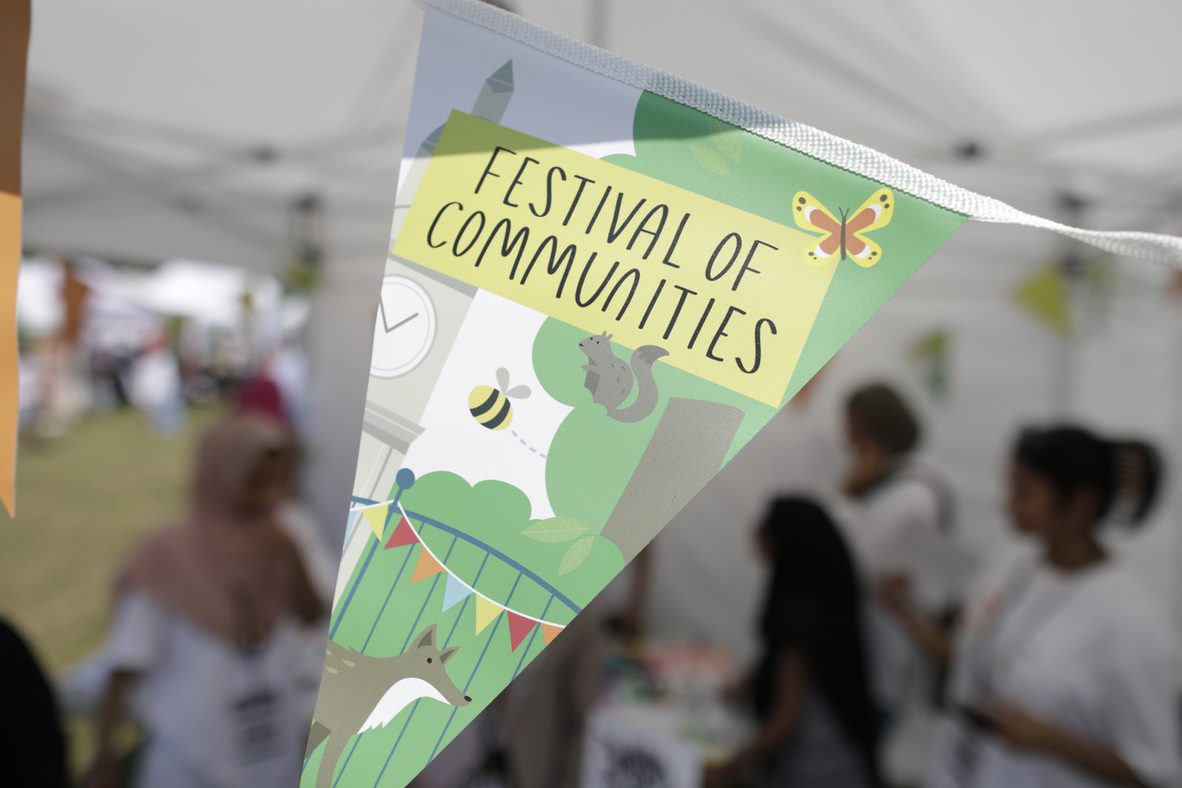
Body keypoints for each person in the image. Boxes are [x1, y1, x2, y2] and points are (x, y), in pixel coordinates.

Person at [887, 425, 1180, 788]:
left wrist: (1051, 740)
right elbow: (974, 659)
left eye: (1024, 492)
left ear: (1080, 503)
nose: (1007, 504)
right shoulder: (1014, 565)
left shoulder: (1133, 623)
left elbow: (1157, 772)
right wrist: (909, 616)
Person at [83, 414, 325, 788]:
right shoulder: (167, 557)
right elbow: (126, 664)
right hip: (188, 759)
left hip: (270, 754)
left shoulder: (279, 544)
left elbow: (311, 614)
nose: (270, 494)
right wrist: (104, 752)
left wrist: (290, 556)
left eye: (276, 481)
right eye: (255, 481)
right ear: (220, 477)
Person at [706, 497, 882, 788]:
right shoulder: (827, 593)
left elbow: (788, 717)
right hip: (844, 753)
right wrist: (739, 688)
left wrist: (731, 766)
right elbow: (775, 654)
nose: (756, 538)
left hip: (815, 767)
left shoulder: (799, 613)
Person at [836, 382, 961, 723]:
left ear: (877, 432)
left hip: (886, 657)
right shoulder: (898, 485)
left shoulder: (912, 494)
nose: (847, 441)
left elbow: (844, 562)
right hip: (874, 653)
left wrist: (846, 498)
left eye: (854, 430)